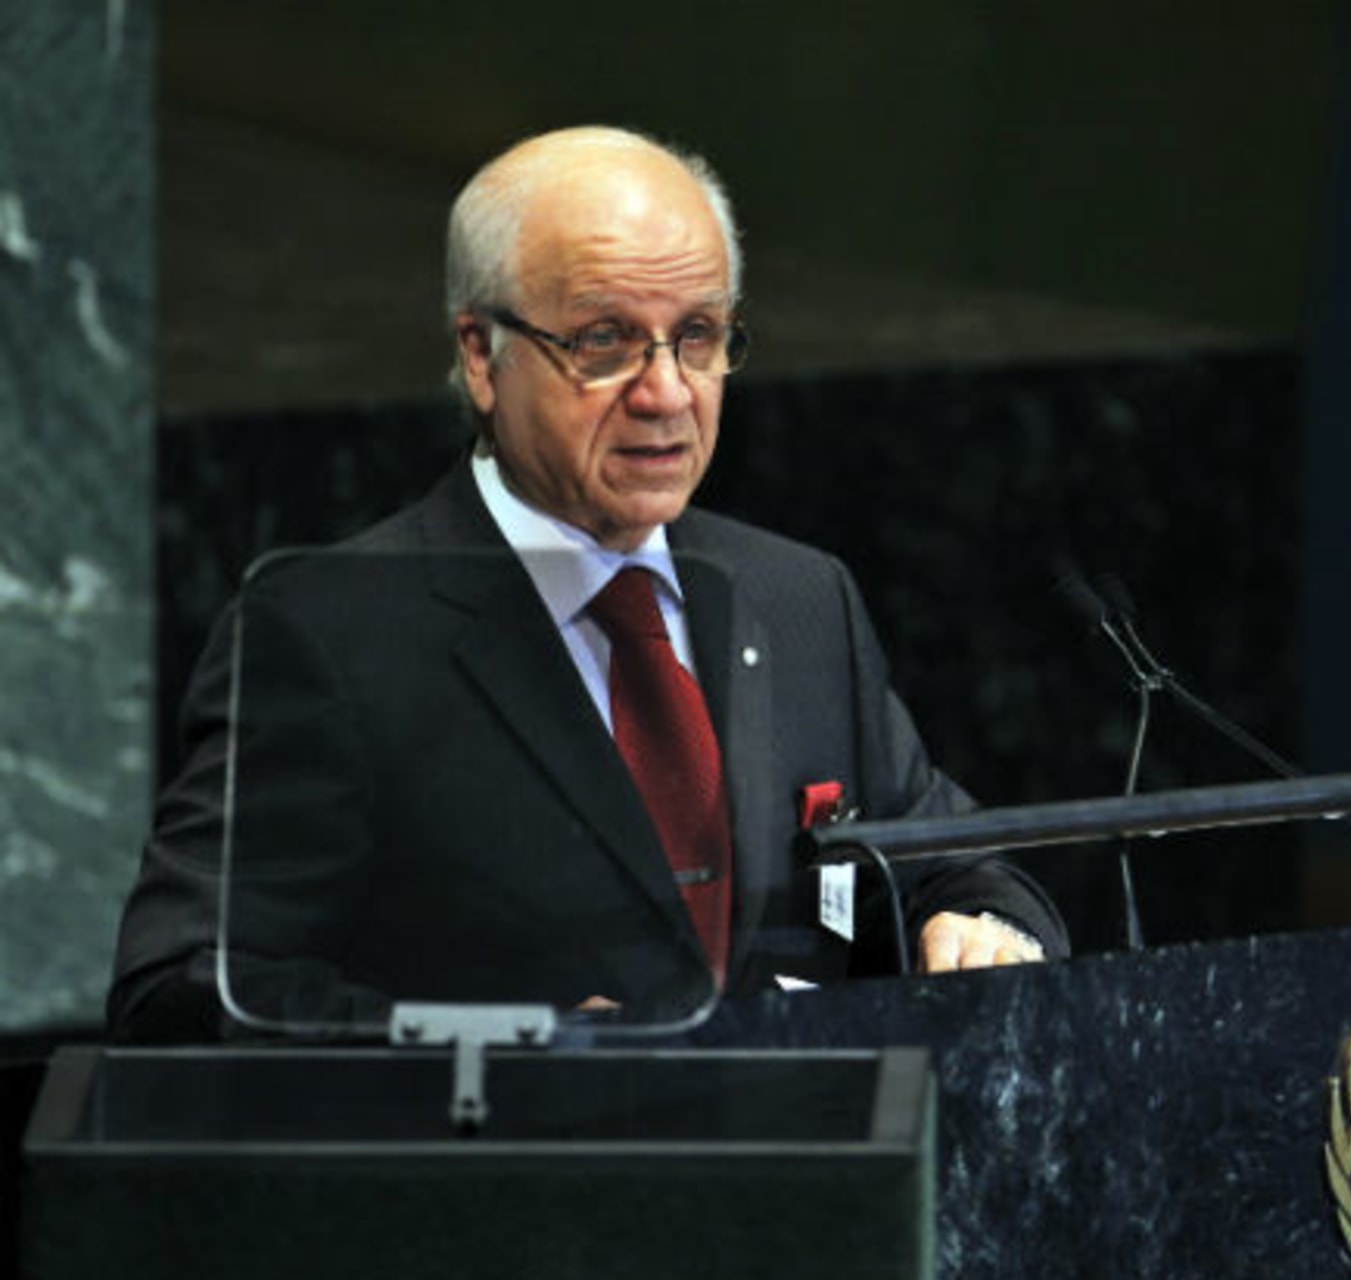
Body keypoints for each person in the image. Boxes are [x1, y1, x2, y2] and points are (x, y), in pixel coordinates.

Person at [108, 125, 1067, 1042]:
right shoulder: (332, 633)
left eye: (697, 336)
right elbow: (186, 986)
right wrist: (516, 1050)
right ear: (482, 357)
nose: (665, 393)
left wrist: (987, 927)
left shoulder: (797, 596)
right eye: (604, 341)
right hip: (508, 1193)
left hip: (798, 1189)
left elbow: (953, 862)